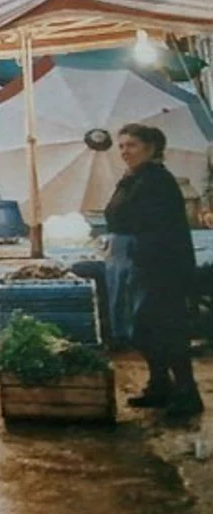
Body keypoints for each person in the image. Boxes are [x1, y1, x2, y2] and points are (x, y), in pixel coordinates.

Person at [105, 124, 203, 418]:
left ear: (151, 148)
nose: (124, 152)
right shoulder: (132, 178)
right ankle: (160, 384)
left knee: (166, 328)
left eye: (131, 145)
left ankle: (187, 393)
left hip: (160, 265)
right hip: (135, 263)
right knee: (143, 330)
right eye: (121, 146)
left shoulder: (157, 180)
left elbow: (158, 227)